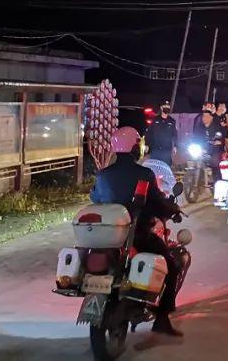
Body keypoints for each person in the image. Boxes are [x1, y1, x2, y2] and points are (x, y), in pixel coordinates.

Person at [91, 127, 184, 337]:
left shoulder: (104, 174)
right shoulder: (144, 174)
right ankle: (162, 319)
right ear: (135, 147)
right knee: (172, 266)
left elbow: (95, 198)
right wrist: (172, 209)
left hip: (108, 237)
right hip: (138, 234)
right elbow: (157, 201)